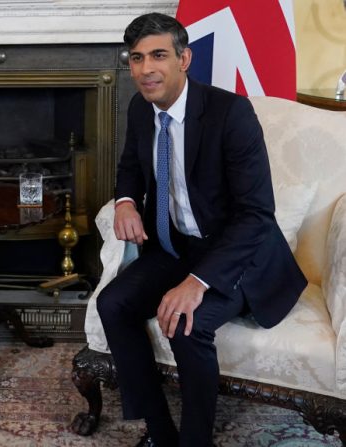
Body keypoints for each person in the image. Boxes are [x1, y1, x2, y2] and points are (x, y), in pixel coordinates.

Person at [96, 12, 307, 447]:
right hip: (175, 247)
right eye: (136, 58)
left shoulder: (231, 113)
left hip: (237, 257)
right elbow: (131, 167)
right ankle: (159, 431)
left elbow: (256, 214)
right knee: (113, 303)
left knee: (186, 325)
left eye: (158, 55)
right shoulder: (140, 107)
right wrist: (125, 201)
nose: (146, 69)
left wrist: (198, 282)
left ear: (184, 58)